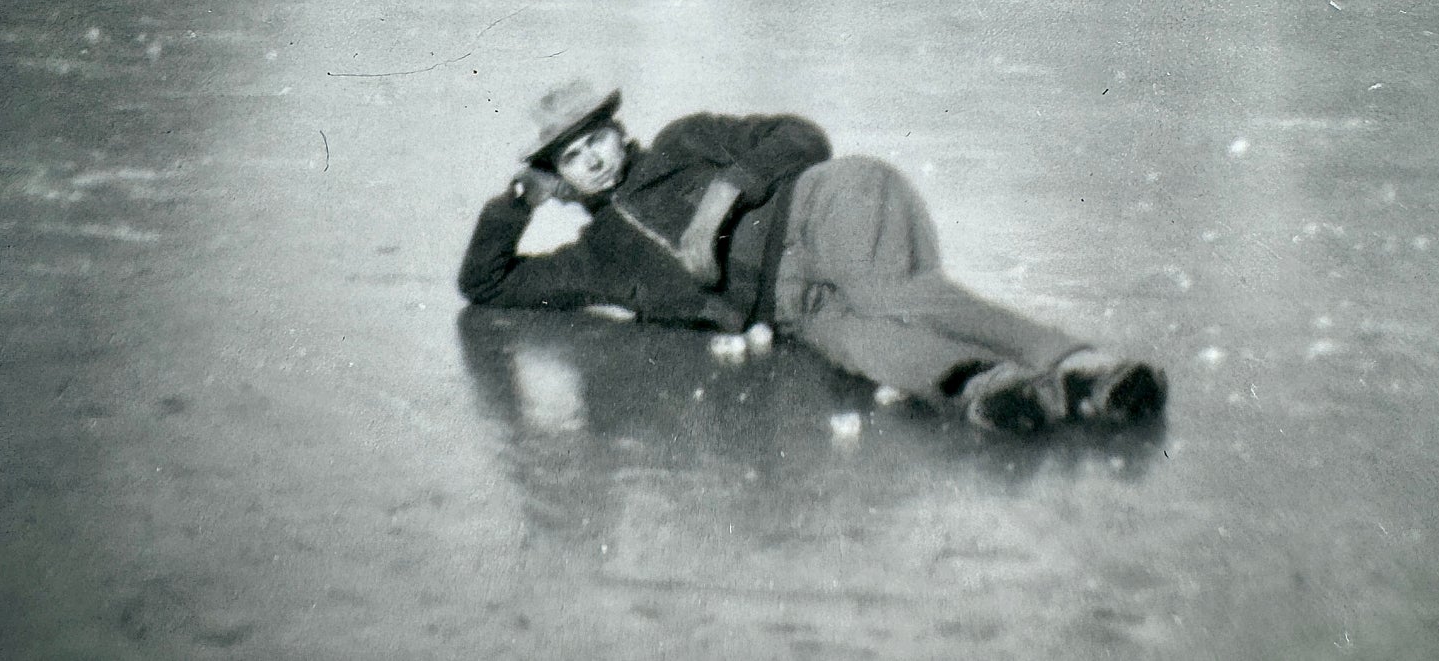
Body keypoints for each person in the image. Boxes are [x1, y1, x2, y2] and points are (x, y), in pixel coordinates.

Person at [457, 79, 1167, 434]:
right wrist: (517, 199)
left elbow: (802, 135)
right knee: (857, 342)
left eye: (597, 139)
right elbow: (484, 282)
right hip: (794, 305)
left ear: (618, 130)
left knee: (893, 294)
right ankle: (1003, 388)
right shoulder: (594, 258)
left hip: (824, 205)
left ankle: (1079, 361)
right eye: (573, 157)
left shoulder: (682, 140)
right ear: (561, 176)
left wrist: (718, 204)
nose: (594, 159)